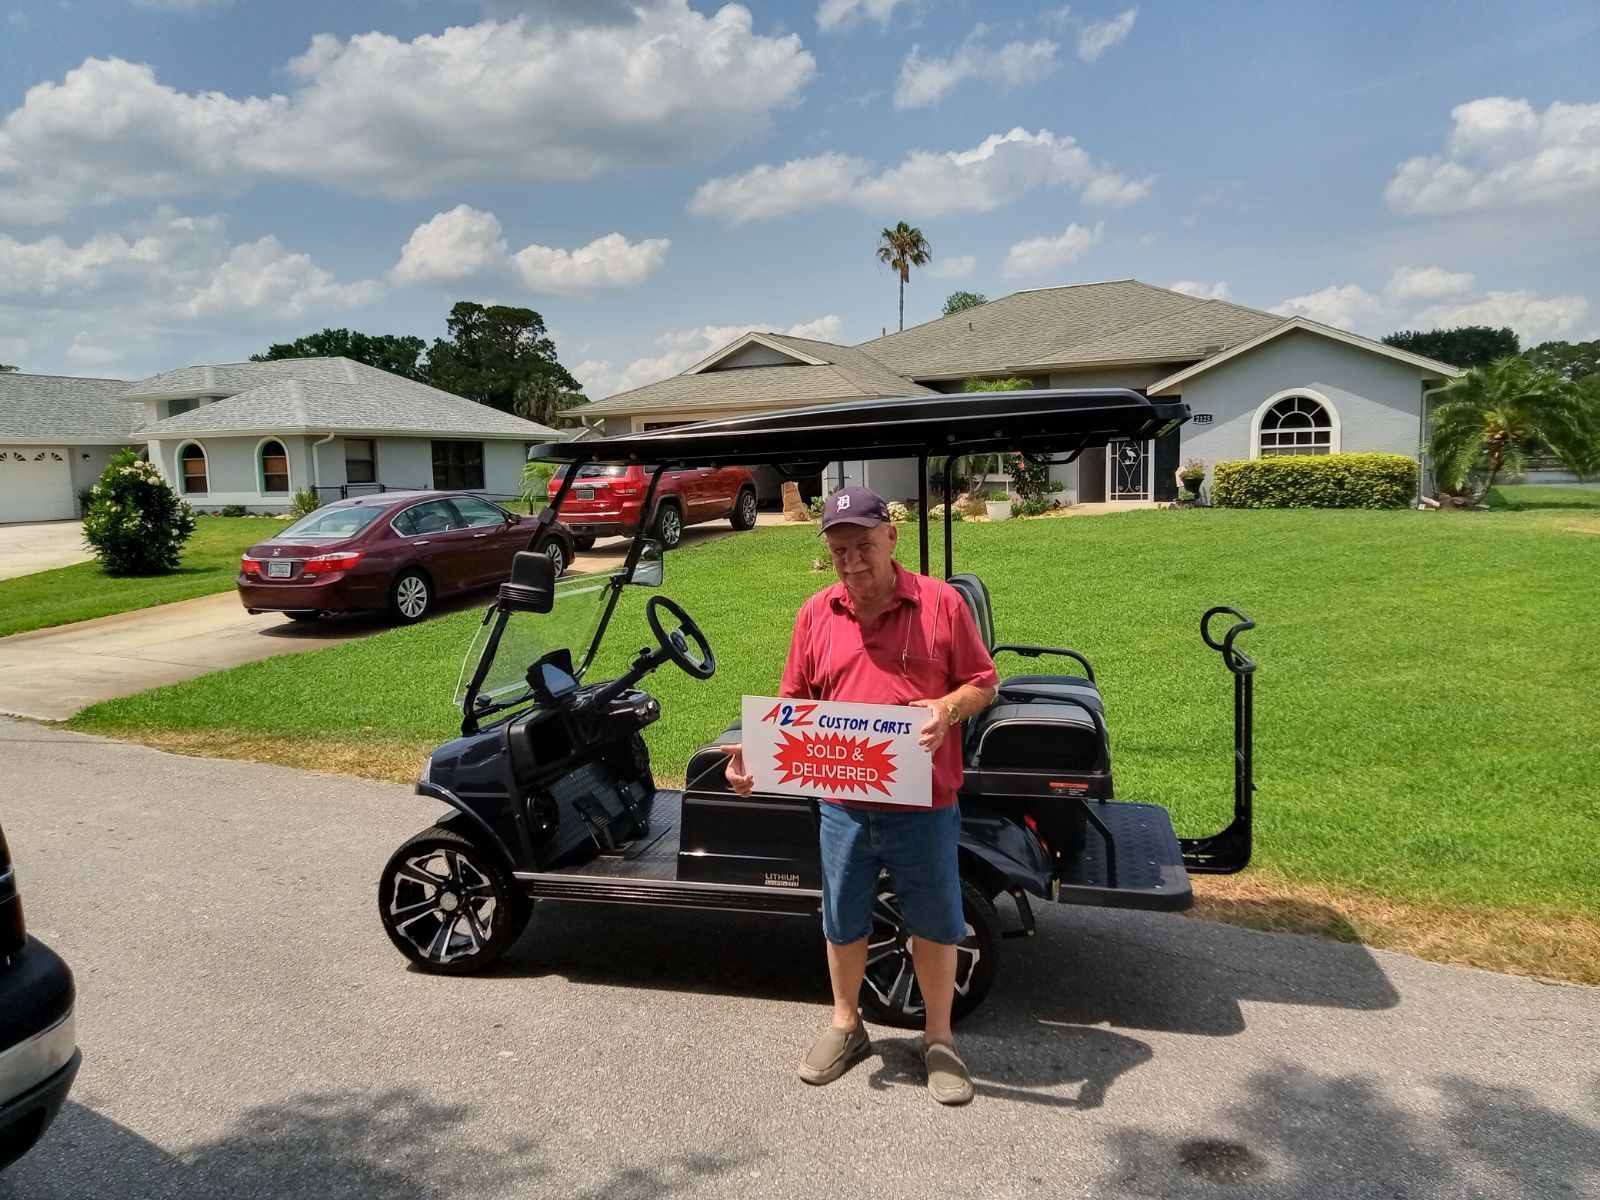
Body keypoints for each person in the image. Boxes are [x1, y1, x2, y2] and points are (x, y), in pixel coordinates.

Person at [720, 486, 998, 1106]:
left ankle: (938, 1039)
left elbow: (983, 681)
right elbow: (795, 706)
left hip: (923, 803)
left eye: (864, 546)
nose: (852, 561)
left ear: (891, 538)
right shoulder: (817, 613)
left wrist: (949, 708)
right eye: (839, 550)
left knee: (934, 922)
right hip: (842, 803)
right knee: (843, 917)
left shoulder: (940, 604)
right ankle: (848, 1027)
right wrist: (755, 763)